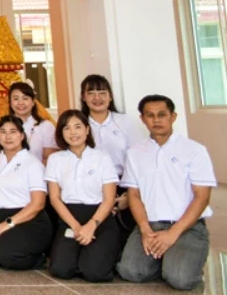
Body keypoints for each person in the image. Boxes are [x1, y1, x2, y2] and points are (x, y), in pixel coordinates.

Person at [116, 95, 217, 291]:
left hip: (187, 227)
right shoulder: (135, 152)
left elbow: (202, 197)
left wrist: (173, 234)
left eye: (162, 115)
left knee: (181, 280)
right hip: (150, 225)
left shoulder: (194, 150)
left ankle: (178, 260)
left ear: (173, 116)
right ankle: (167, 259)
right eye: (150, 115)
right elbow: (134, 195)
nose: (156, 120)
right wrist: (145, 230)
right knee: (131, 271)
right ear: (142, 119)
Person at [45, 109, 121, 282]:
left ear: (87, 130)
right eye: (67, 128)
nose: (73, 133)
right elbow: (55, 198)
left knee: (95, 273)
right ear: (61, 133)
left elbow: (109, 199)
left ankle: (103, 254)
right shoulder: (55, 159)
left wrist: (91, 226)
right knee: (61, 269)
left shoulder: (102, 158)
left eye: (78, 127)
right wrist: (77, 227)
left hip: (99, 218)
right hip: (69, 217)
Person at [0, 115, 52, 270]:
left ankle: (39, 259)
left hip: (28, 219)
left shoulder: (32, 164)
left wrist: (6, 225)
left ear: (22, 136)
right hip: (0, 215)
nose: (8, 136)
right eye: (3, 132)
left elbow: (38, 203)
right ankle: (6, 251)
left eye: (13, 132)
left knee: (7, 254)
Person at [80, 74, 147, 240]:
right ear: (83, 97)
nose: (97, 98)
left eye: (102, 92)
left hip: (123, 183)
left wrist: (128, 195)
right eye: (91, 93)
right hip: (89, 185)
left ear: (110, 96)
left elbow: (138, 159)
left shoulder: (124, 122)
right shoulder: (78, 124)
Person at [8, 81, 57, 163]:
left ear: (33, 102)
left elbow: (48, 159)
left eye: (25, 98)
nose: (20, 103)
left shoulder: (46, 126)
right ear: (10, 102)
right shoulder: (0, 127)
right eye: (16, 99)